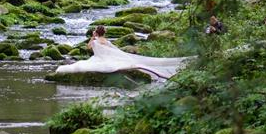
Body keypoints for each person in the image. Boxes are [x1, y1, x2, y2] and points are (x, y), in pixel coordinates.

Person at [55, 25, 188, 80]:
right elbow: (114, 50)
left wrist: (92, 37)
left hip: (97, 60)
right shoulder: (106, 41)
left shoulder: (94, 41)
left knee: (78, 65)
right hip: (104, 59)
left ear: (96, 33)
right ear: (104, 33)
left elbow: (88, 48)